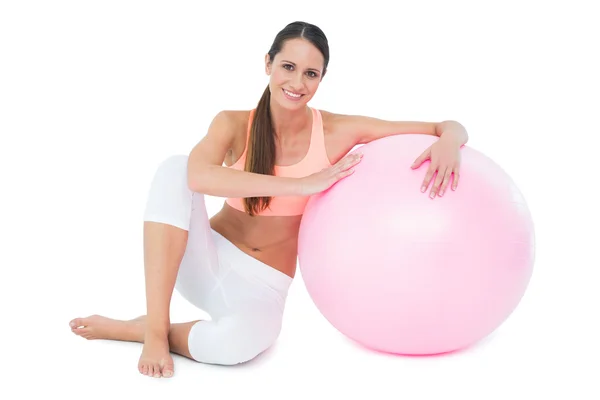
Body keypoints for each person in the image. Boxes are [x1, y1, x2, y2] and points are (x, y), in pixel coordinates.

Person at [69, 21, 468, 378]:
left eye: (311, 74)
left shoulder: (337, 130)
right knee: (175, 167)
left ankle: (136, 328)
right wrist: (302, 184)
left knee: (234, 348)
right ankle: (155, 329)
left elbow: (443, 125)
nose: (297, 82)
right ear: (268, 64)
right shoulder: (231, 122)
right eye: (288, 67)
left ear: (321, 79)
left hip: (263, 284)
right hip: (202, 259)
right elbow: (196, 176)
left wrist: (449, 139)